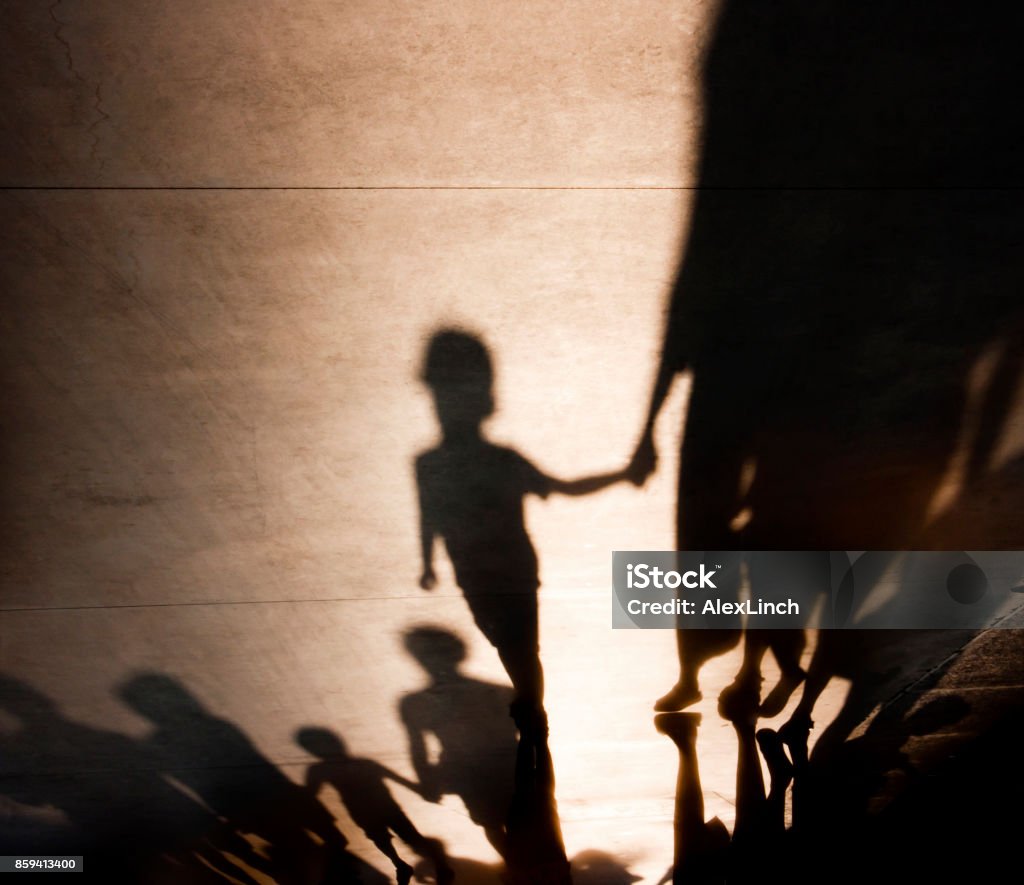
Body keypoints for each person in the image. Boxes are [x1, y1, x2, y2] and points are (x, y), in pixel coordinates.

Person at [416, 328, 630, 714]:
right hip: (481, 570)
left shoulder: (491, 461)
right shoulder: (440, 464)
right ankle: (532, 706)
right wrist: (427, 562)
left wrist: (620, 475)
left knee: (519, 645)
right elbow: (428, 513)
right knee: (509, 643)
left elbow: (563, 487)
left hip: (505, 569)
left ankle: (533, 712)